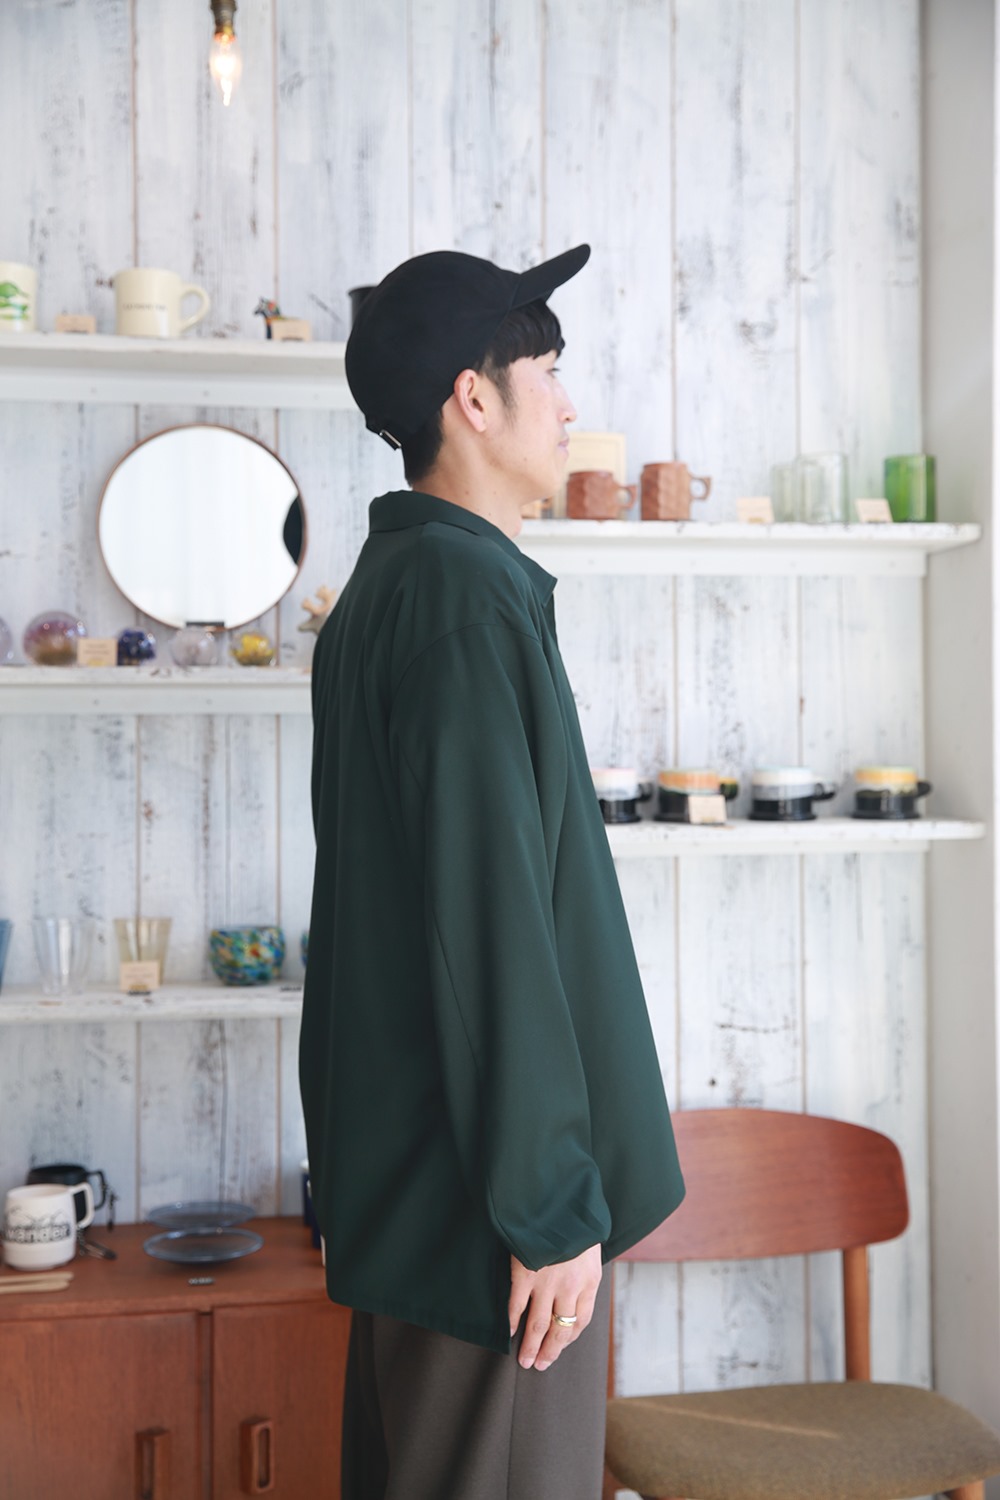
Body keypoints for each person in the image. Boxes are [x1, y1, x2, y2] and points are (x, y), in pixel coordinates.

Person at [300, 243, 685, 1500]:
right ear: (474, 397)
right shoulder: (459, 601)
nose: (568, 404)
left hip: (427, 1194)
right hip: (492, 1229)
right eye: (550, 372)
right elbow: (488, 928)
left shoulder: (399, 589)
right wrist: (549, 1208)